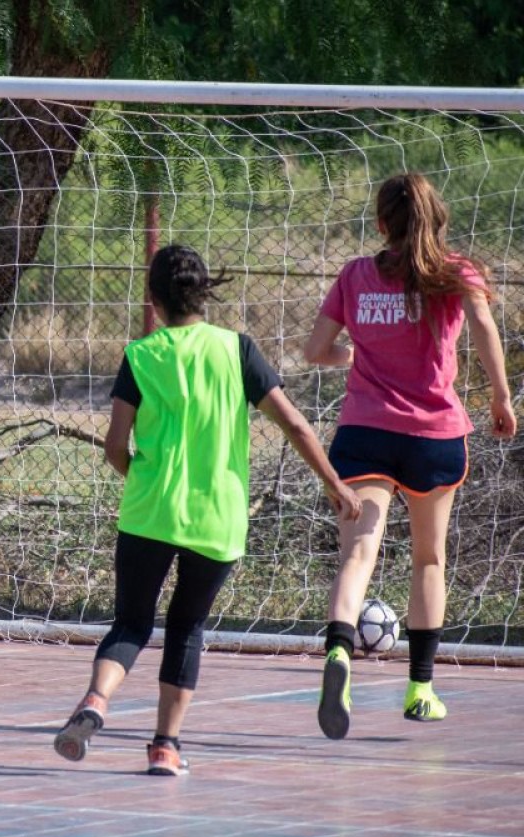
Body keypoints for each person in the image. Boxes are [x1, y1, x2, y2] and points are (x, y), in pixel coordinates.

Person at [52, 244, 361, 776]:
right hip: (217, 518)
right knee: (187, 628)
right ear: (203, 294)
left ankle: (96, 702)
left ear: (153, 298)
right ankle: (166, 747)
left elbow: (114, 445)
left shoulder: (141, 356)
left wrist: (144, 478)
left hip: (149, 512)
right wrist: (334, 482)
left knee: (129, 624)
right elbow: (294, 424)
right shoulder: (237, 351)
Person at [304, 172, 516, 740]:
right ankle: (421, 689)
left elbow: (314, 350)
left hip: (365, 433)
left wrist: (354, 353)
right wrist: (499, 395)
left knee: (358, 555)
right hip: (433, 436)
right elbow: (485, 328)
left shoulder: (355, 275)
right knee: (428, 560)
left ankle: (339, 654)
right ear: (436, 219)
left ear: (381, 225)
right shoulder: (456, 273)